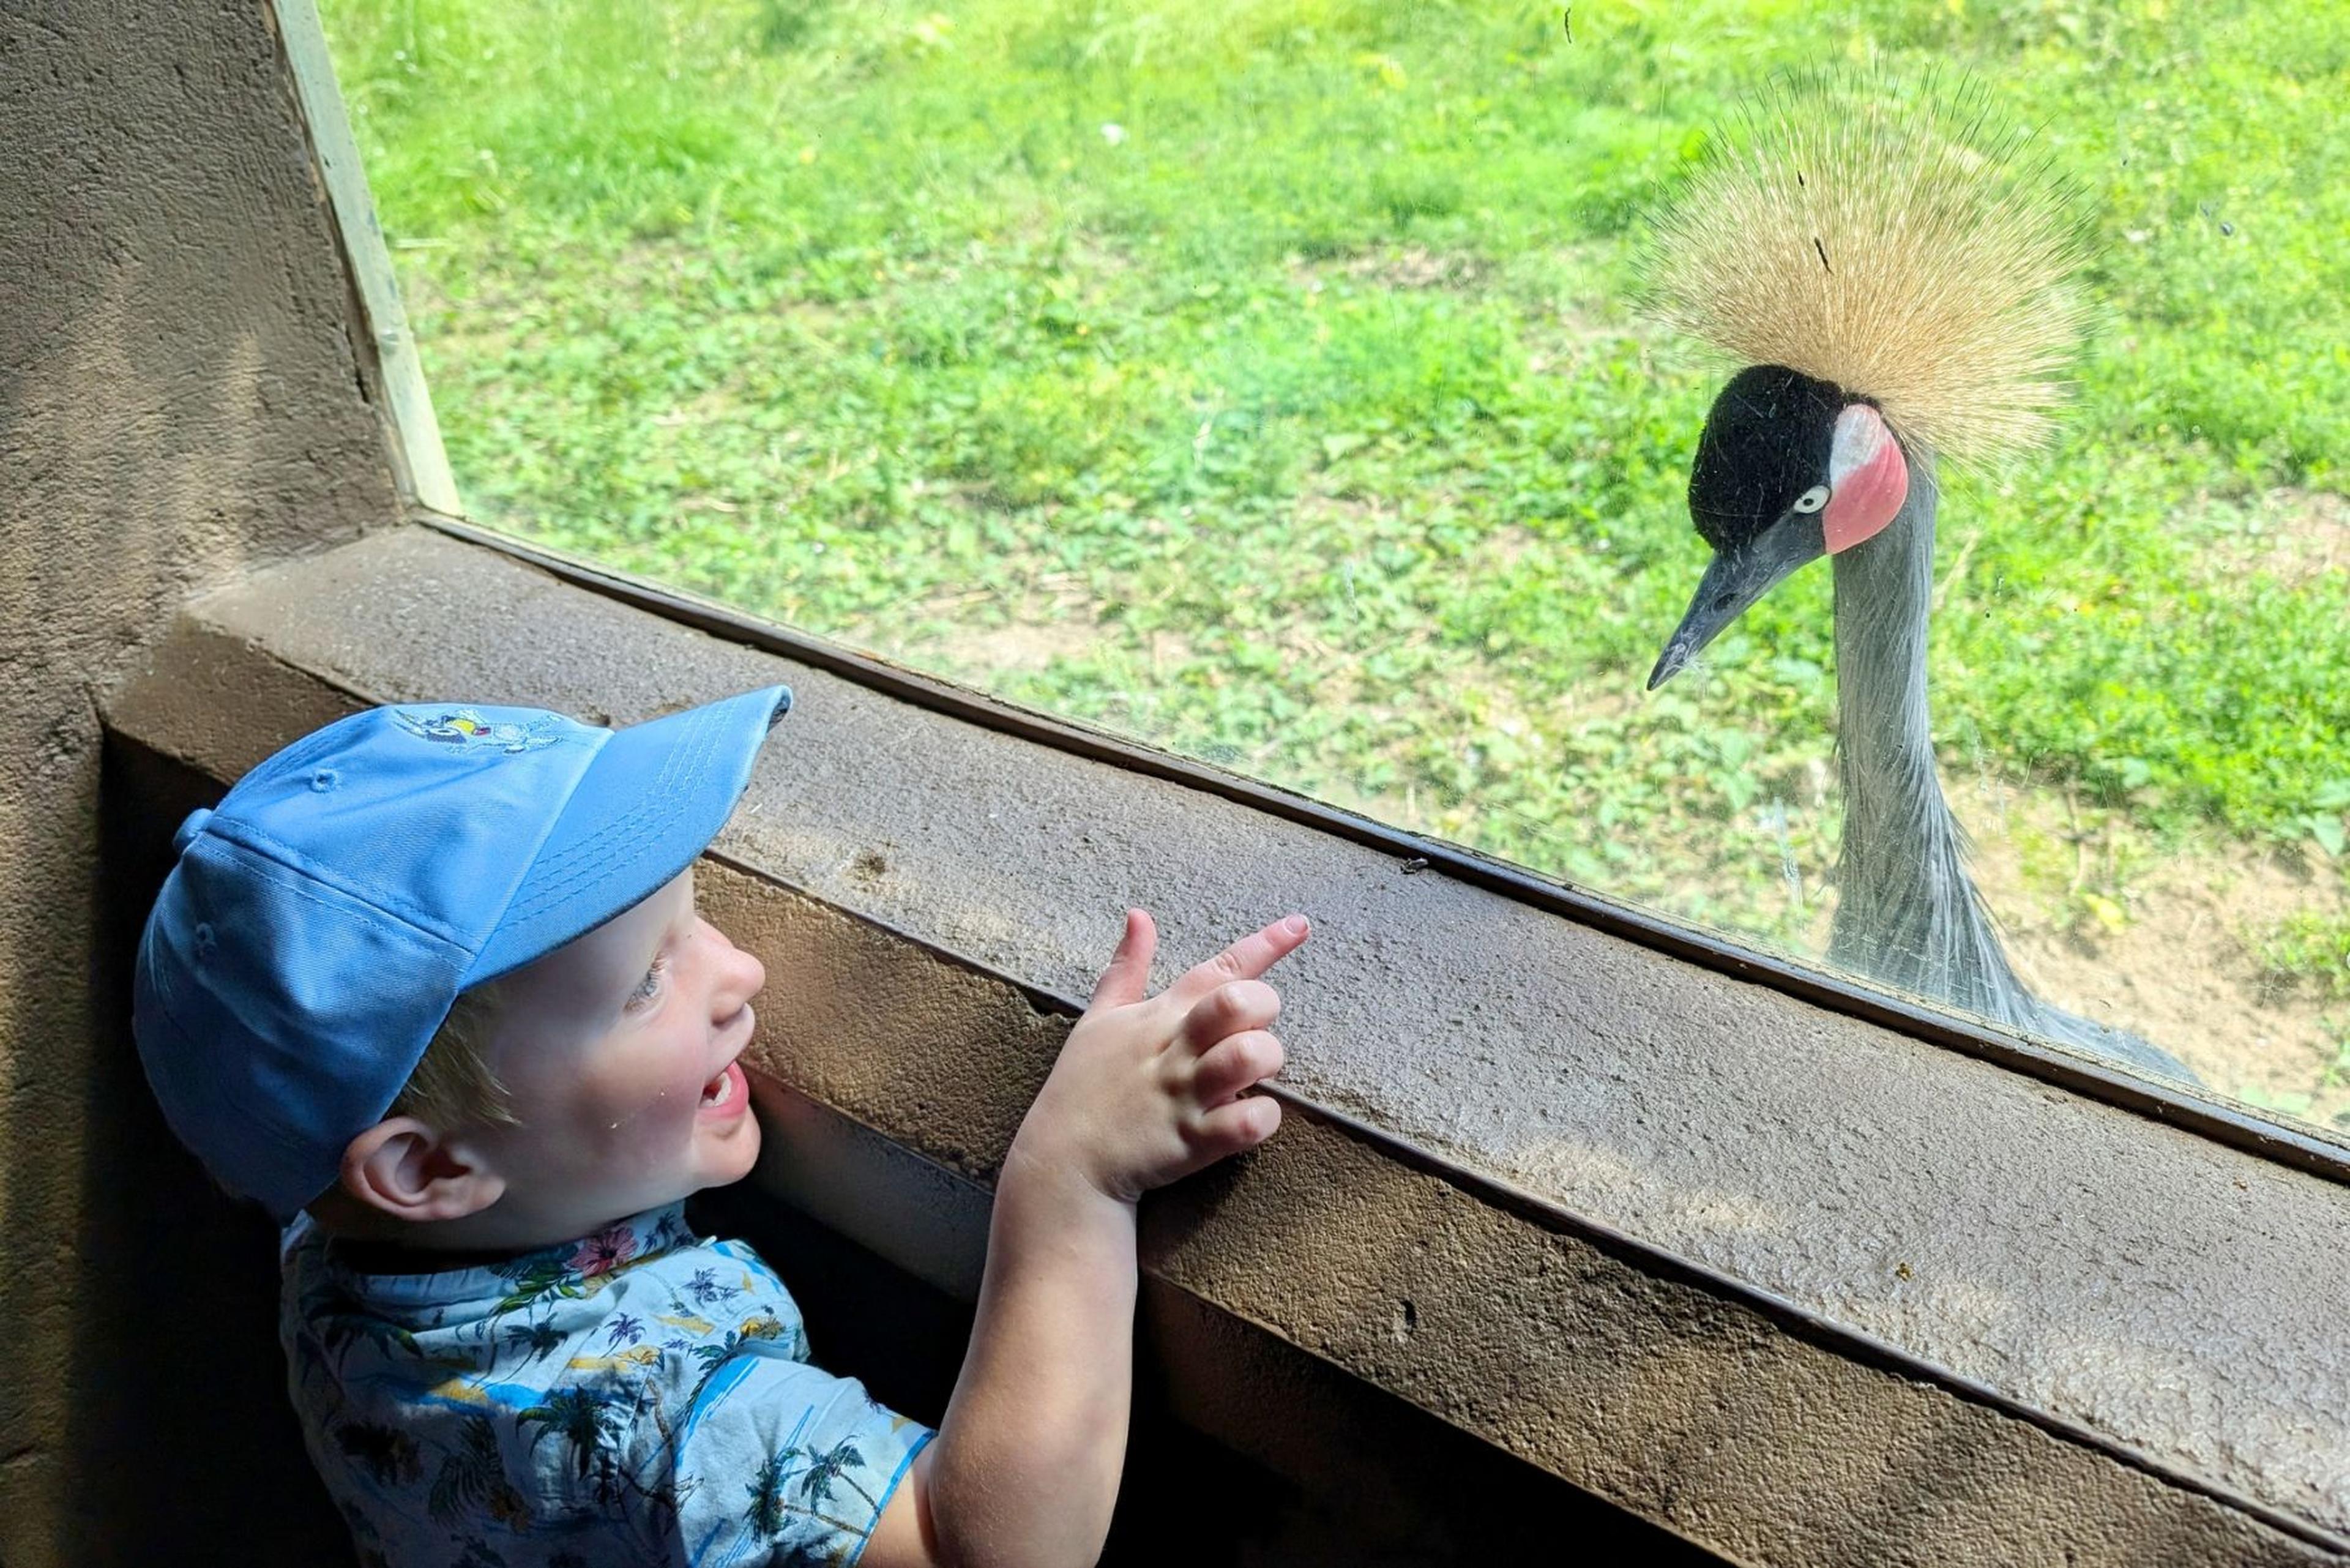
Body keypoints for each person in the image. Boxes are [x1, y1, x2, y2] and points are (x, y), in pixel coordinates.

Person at [133, 685, 1308, 1567]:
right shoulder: (653, 1417)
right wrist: (1073, 1180)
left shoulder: (330, 1256)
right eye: (647, 982)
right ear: (429, 1165)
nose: (740, 969)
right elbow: (980, 1549)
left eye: (693, 921)